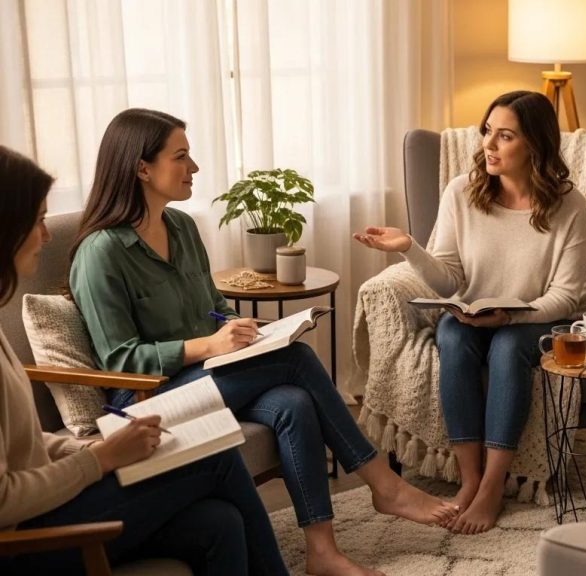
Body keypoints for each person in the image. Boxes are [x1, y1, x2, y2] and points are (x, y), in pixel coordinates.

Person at [69, 109, 455, 576]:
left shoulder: (183, 229)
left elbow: (214, 306)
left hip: (207, 377)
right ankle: (384, 485)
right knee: (296, 360)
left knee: (292, 400)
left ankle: (322, 553)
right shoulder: (102, 252)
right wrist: (208, 346)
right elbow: (120, 359)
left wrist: (246, 333)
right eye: (182, 157)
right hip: (147, 398)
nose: (194, 168)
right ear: (141, 167)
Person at [0, 145, 289, 575]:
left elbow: (22, 446)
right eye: (38, 220)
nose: (45, 236)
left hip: (50, 501)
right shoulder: (103, 251)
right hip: (22, 541)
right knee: (215, 455)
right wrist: (99, 461)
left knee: (220, 523)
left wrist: (90, 447)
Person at [354, 91, 586, 534]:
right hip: (470, 314)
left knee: (505, 347)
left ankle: (492, 487)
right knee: (452, 337)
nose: (489, 144)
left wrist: (511, 318)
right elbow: (447, 280)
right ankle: (469, 480)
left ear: (535, 145)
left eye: (505, 136)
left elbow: (565, 297)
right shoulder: (462, 191)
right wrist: (410, 248)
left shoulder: (569, 206)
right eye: (487, 131)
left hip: (533, 320)